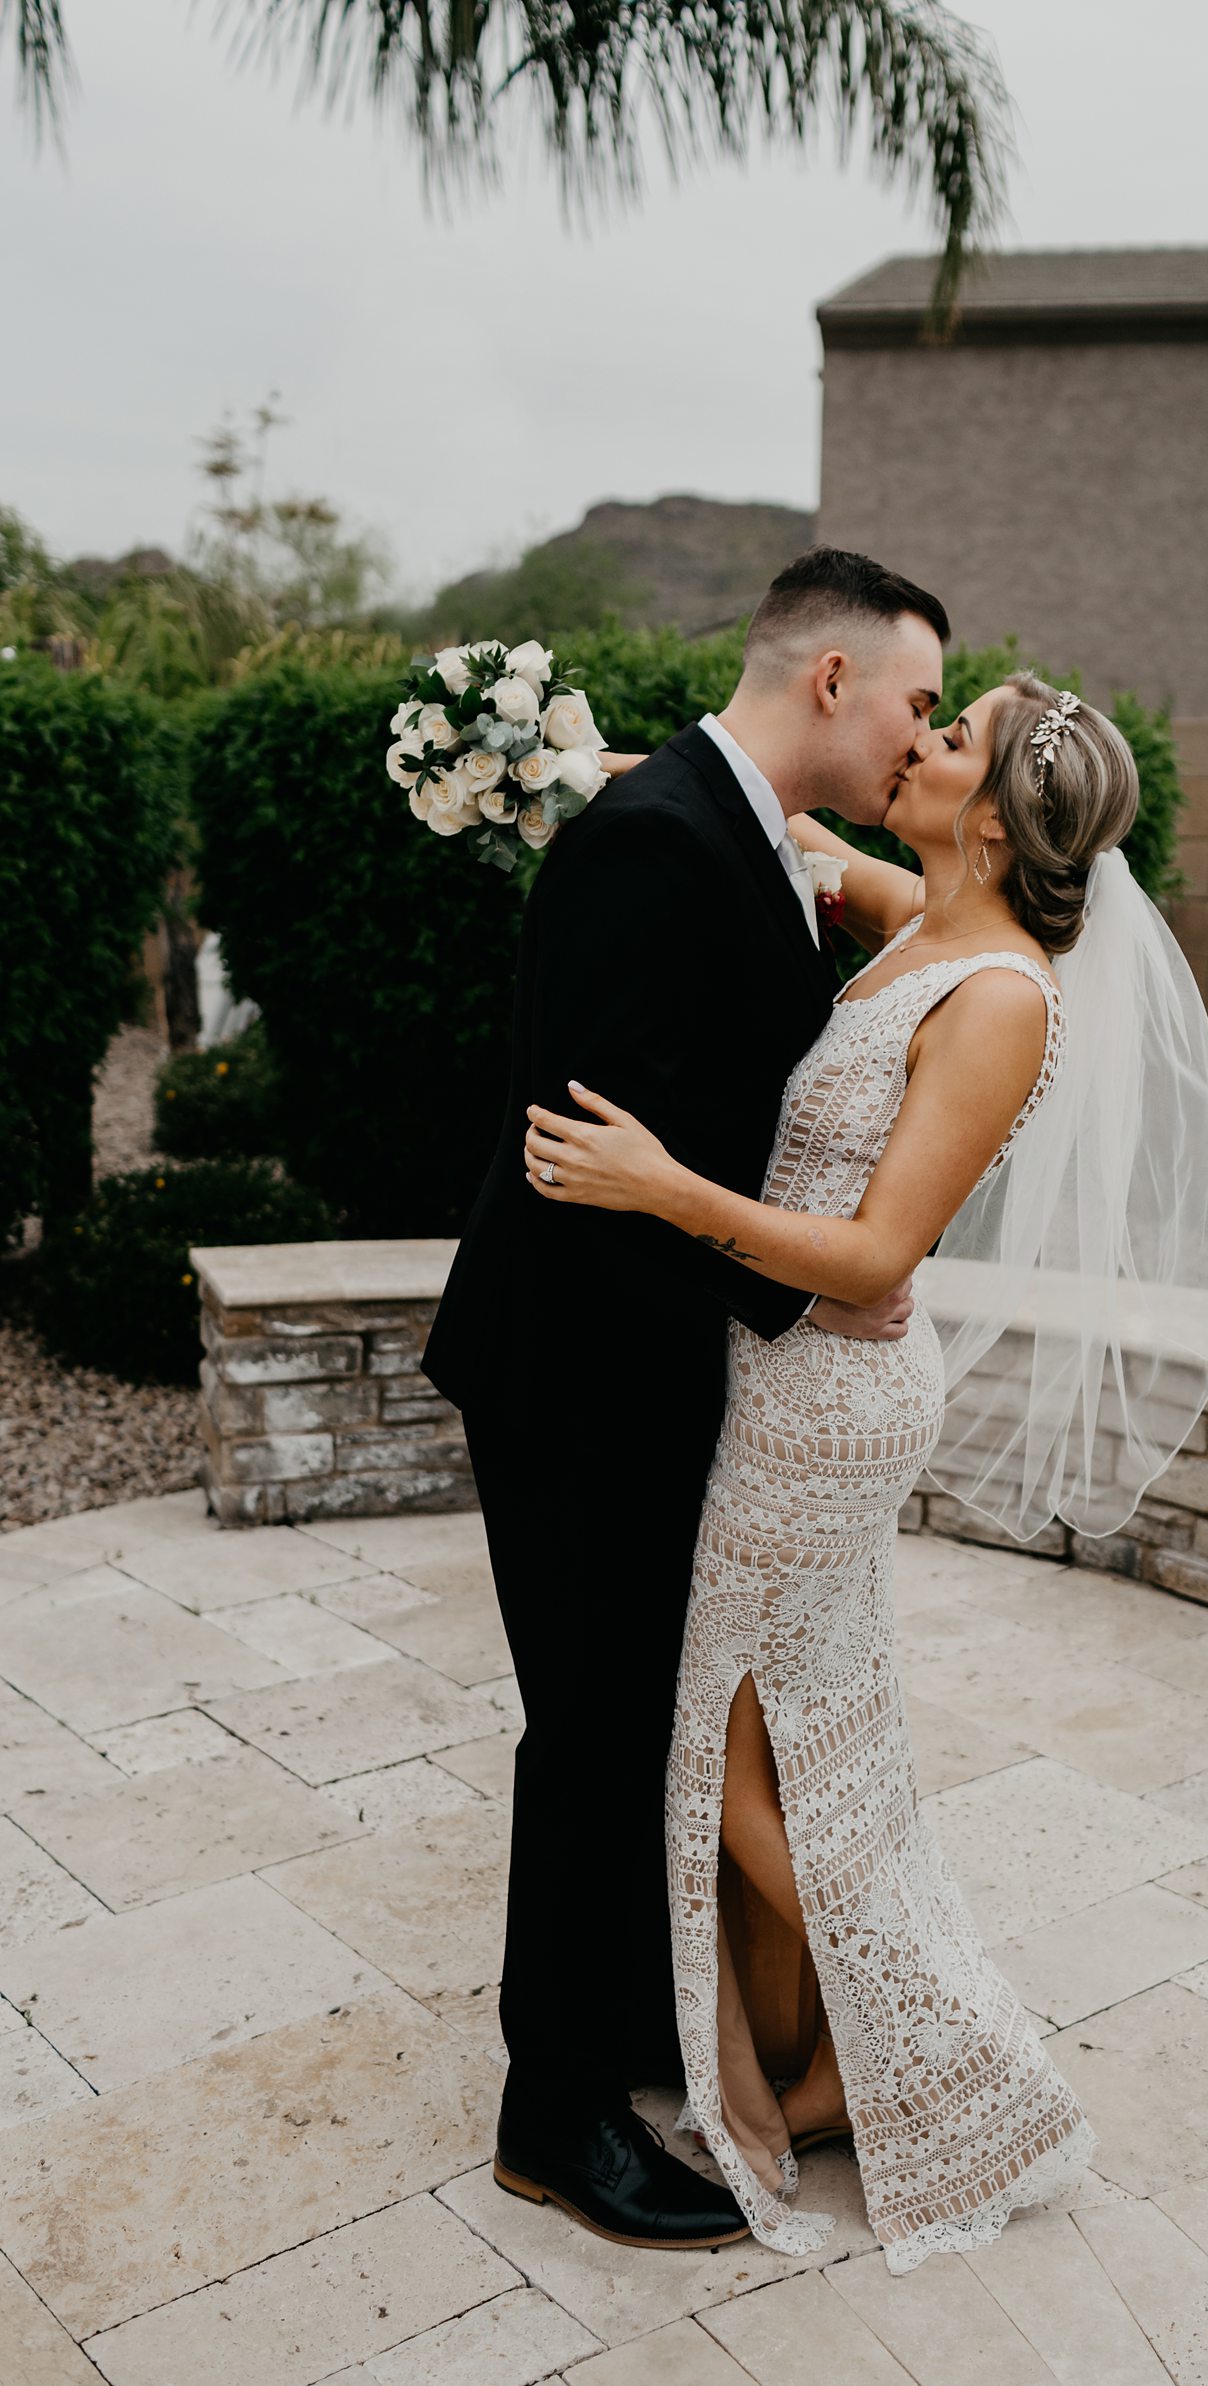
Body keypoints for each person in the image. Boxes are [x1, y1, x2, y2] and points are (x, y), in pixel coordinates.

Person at [519, 673, 1160, 2269]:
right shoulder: (916, 901)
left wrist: (662, 1187)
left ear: (1000, 818)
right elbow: (775, 820)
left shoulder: (1001, 990)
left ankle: (953, 2051)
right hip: (786, 1377)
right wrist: (559, 758)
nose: (921, 746)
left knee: (729, 1752)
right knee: (801, 1735)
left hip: (825, 1404)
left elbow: (876, 1247)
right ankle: (816, 2077)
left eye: (955, 736)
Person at [420, 547, 954, 2251]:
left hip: (659, 1373)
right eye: (916, 701)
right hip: (579, 1376)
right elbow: (597, 1165)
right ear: (829, 680)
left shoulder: (732, 830)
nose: (918, 735)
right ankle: (552, 2114)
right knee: (587, 1731)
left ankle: (632, 2025)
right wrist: (813, 1280)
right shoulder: (651, 841)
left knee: (645, 1717)